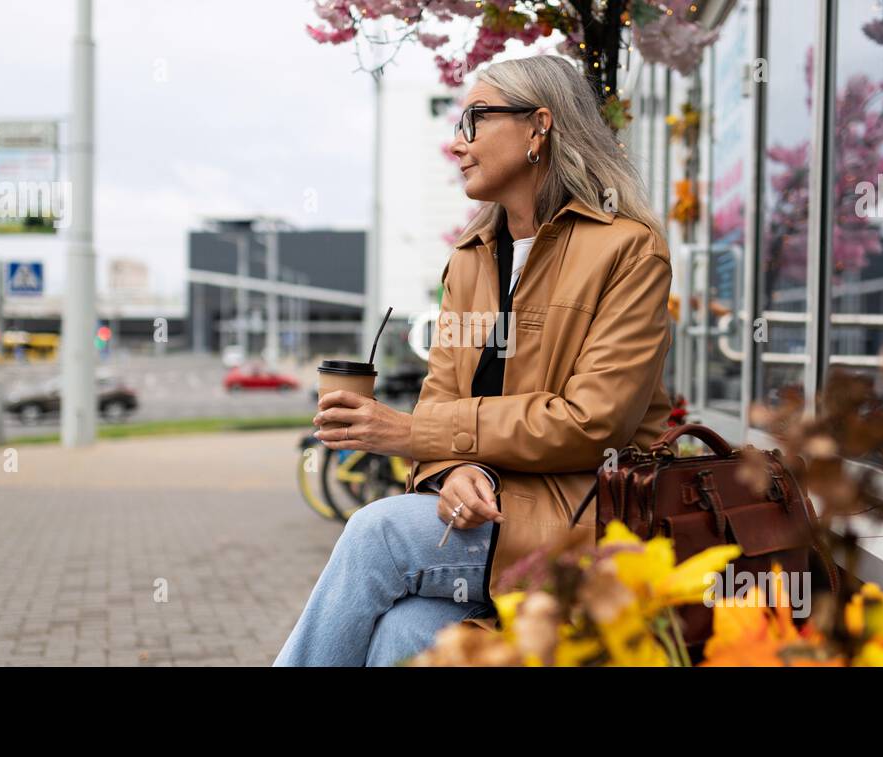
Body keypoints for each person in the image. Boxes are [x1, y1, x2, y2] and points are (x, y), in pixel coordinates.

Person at [273, 54, 674, 666]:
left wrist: (410, 434)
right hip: (486, 518)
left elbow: (594, 423)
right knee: (407, 633)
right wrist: (451, 472)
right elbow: (443, 400)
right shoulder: (471, 256)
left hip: (585, 519)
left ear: (539, 127)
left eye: (476, 119)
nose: (458, 143)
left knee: (377, 533)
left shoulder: (628, 251)